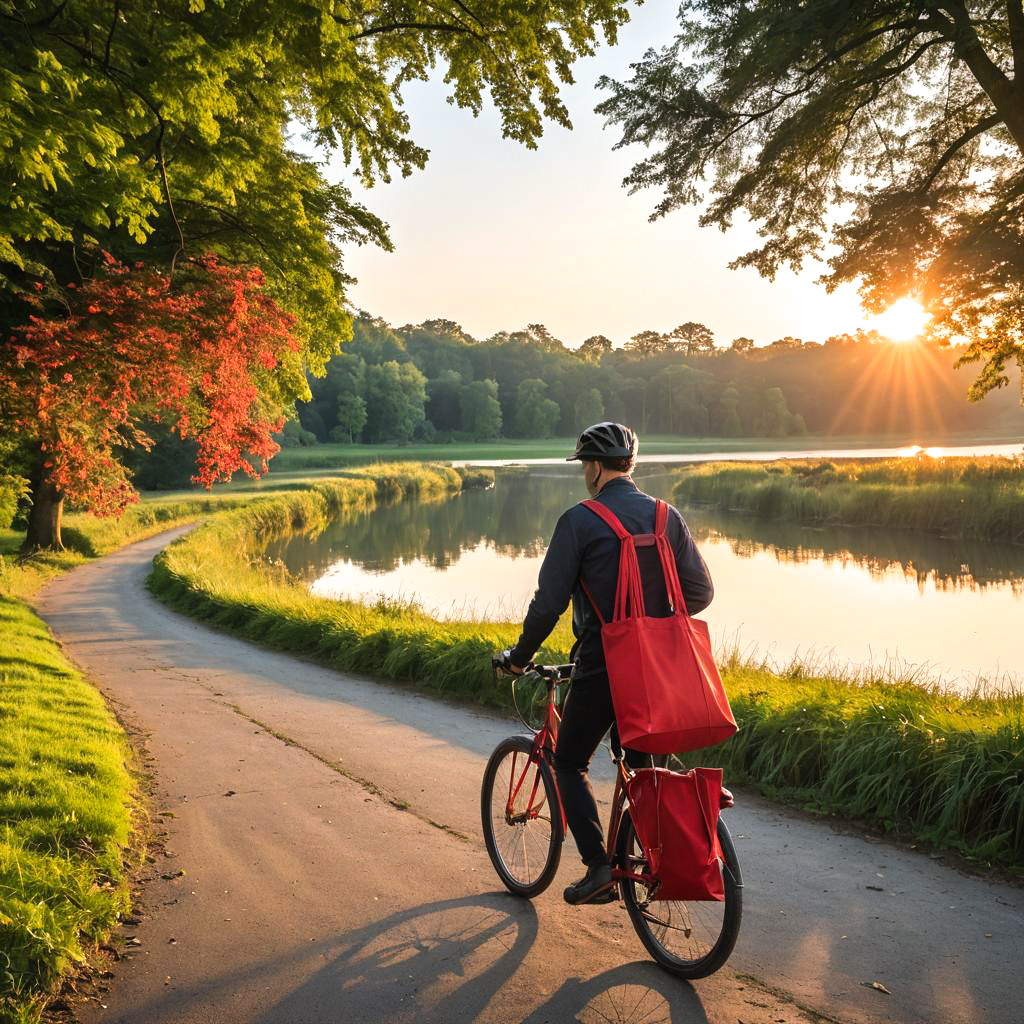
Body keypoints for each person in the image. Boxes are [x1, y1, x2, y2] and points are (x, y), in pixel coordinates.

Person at [496, 421, 714, 905]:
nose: (583, 475)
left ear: (595, 468)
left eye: (583, 466)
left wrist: (519, 658)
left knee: (568, 761)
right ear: (629, 465)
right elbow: (700, 593)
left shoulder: (579, 521)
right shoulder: (666, 516)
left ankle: (599, 868)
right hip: (660, 671)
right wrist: (651, 619)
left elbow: (547, 604)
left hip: (603, 667)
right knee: (642, 766)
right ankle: (659, 860)